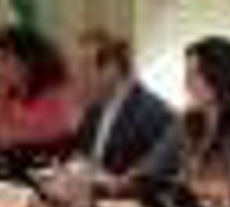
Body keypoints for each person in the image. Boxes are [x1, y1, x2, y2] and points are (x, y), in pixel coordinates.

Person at [132, 35, 230, 207]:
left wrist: (179, 187)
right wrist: (121, 182)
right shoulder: (190, 118)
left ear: (220, 76)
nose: (186, 84)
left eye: (194, 75)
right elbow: (151, 166)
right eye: (186, 75)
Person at [70, 29, 175, 177]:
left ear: (111, 68)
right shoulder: (93, 110)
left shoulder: (153, 114)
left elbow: (150, 178)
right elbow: (80, 157)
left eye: (85, 69)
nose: (79, 78)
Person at [0, 24, 79, 156]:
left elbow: (42, 137)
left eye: (4, 60)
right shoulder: (9, 97)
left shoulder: (54, 96)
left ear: (28, 61)